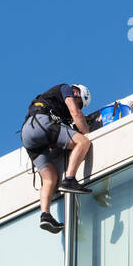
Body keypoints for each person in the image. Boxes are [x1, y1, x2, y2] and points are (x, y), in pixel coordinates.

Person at [21, 83, 93, 232]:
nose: (78, 106)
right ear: (76, 92)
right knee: (83, 142)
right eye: (79, 102)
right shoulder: (66, 89)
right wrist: (86, 132)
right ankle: (70, 180)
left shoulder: (56, 108)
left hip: (27, 135)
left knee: (50, 178)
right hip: (41, 123)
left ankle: (45, 215)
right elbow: (75, 113)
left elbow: (56, 143)